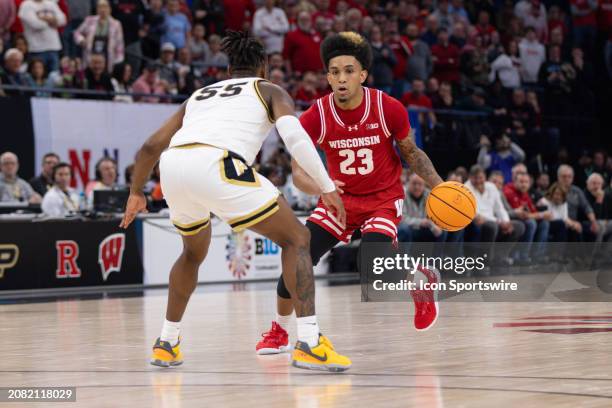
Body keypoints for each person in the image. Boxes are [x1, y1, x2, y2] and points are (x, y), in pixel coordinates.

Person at [120, 31, 351, 372]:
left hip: (173, 167)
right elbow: (295, 138)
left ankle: (166, 342)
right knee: (297, 239)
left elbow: (151, 147)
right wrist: (326, 185)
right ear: (264, 66)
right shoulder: (268, 89)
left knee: (192, 253)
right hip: (218, 164)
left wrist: (136, 192)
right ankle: (309, 342)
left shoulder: (199, 95)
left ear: (228, 70)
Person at [257, 31, 444, 356]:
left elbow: (412, 153)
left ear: (362, 74)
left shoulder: (388, 108)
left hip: (382, 198)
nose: (341, 79)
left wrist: (440, 188)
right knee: (297, 257)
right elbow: (299, 172)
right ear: (327, 77)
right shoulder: (317, 114)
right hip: (338, 201)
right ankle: (279, 331)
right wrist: (322, 188)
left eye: (348, 71)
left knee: (372, 265)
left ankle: (421, 281)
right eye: (334, 72)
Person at [464, 165, 524, 265]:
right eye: (475, 178)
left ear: (485, 177)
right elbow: (476, 213)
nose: (478, 181)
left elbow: (500, 208)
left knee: (519, 226)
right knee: (492, 226)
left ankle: (499, 258)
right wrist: (499, 222)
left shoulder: (491, 187)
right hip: (477, 221)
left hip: (495, 221)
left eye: (481, 178)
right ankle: (484, 262)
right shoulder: (466, 188)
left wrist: (506, 222)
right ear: (470, 177)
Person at [503, 171, 551, 263]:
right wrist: (541, 215)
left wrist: (540, 215)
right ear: (514, 182)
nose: (524, 185)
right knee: (530, 223)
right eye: (521, 182)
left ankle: (537, 255)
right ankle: (522, 256)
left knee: (544, 223)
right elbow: (522, 215)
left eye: (526, 182)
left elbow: (532, 212)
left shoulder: (524, 193)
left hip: (522, 219)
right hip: (511, 219)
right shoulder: (509, 191)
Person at [73, 0, 124, 72]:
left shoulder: (116, 24)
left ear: (110, 9)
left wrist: (117, 62)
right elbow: (77, 33)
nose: (103, 10)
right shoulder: (89, 20)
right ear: (97, 9)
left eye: (105, 7)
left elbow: (119, 45)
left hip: (107, 60)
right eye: (100, 7)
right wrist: (81, 40)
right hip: (90, 58)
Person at [18, 0, 66, 72]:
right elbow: (36, 24)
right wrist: (53, 21)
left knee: (54, 77)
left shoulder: (51, 3)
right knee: (37, 77)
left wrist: (43, 18)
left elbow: (63, 20)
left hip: (53, 47)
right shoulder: (26, 5)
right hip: (36, 49)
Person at [398, 173, 447, 243]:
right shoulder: (402, 194)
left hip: (423, 229)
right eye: (414, 183)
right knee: (404, 229)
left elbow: (436, 216)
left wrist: (436, 226)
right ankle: (405, 254)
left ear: (424, 185)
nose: (417, 187)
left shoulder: (429, 195)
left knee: (442, 230)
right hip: (409, 229)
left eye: (420, 184)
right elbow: (402, 219)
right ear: (408, 183)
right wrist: (420, 222)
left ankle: (438, 254)